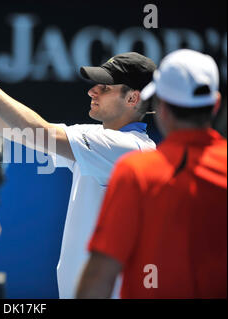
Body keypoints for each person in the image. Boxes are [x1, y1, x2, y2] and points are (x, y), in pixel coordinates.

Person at [0, 42, 157, 298]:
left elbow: (39, 132)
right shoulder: (102, 139)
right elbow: (18, 131)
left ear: (132, 98)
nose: (92, 91)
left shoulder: (127, 148)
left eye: (104, 87)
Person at [76, 49, 227, 299]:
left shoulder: (135, 172)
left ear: (161, 106)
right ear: (216, 104)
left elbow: (100, 273)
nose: (93, 91)